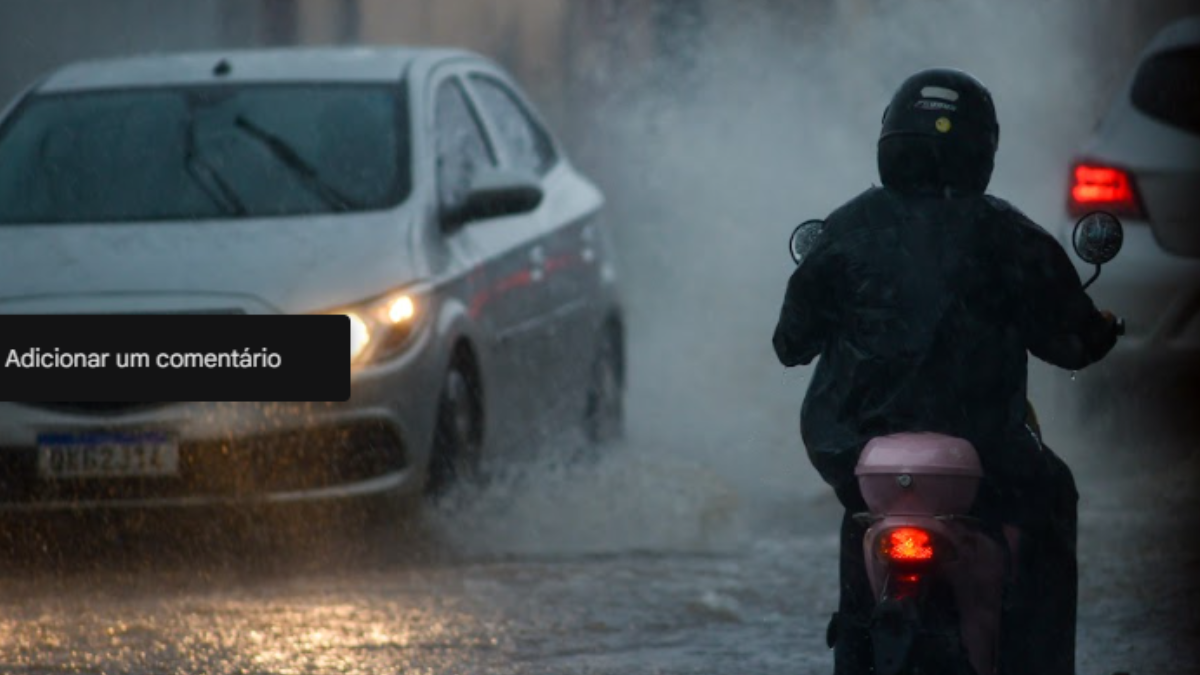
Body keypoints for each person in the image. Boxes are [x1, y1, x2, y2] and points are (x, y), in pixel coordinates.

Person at [771, 68, 1121, 674]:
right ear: (981, 149)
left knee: (861, 521)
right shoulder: (1011, 235)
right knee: (1054, 491)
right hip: (988, 456)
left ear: (891, 139)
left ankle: (855, 651)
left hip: (853, 451)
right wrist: (1101, 329)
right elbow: (1070, 341)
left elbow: (788, 344)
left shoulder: (845, 230)